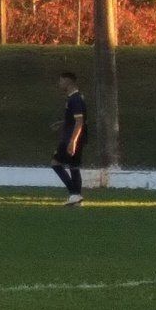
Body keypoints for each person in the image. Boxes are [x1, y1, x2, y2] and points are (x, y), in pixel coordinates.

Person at [52, 70, 87, 207]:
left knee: (55, 163)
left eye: (61, 81)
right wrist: (63, 123)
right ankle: (76, 198)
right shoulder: (77, 97)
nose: (59, 84)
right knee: (74, 166)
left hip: (71, 138)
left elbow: (79, 121)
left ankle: (74, 194)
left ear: (68, 81)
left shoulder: (75, 99)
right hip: (78, 137)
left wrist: (73, 141)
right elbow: (76, 119)